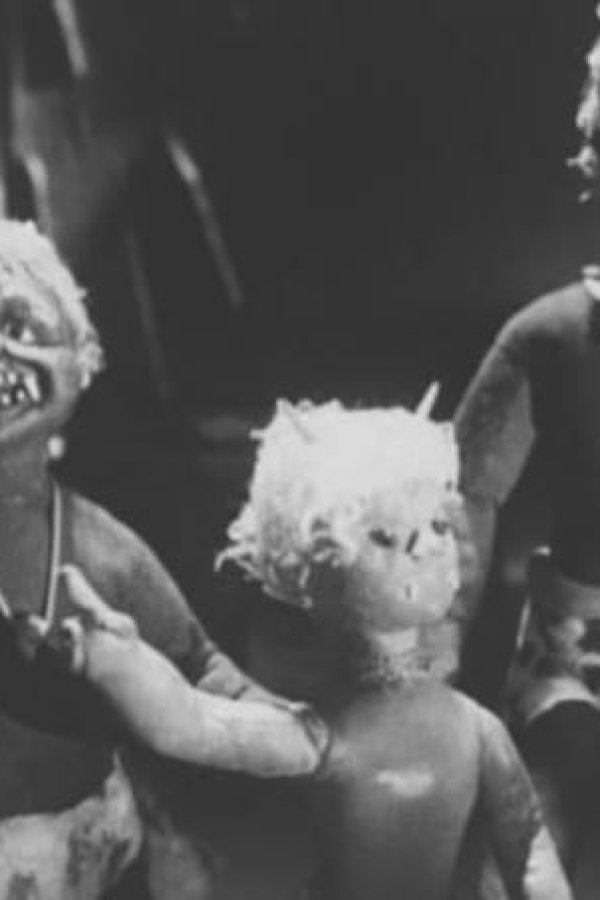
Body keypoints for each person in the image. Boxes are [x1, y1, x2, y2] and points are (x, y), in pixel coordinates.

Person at [45, 398, 571, 900]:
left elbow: (529, 848)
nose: (425, 546)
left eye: (436, 525)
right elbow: (195, 725)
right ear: (310, 568)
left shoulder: (475, 728)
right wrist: (119, 665)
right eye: (385, 536)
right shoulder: (326, 736)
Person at [0, 218, 290, 899]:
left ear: (82, 354)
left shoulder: (104, 555)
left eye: (17, 322)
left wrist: (310, 737)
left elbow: (202, 672)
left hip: (96, 850)